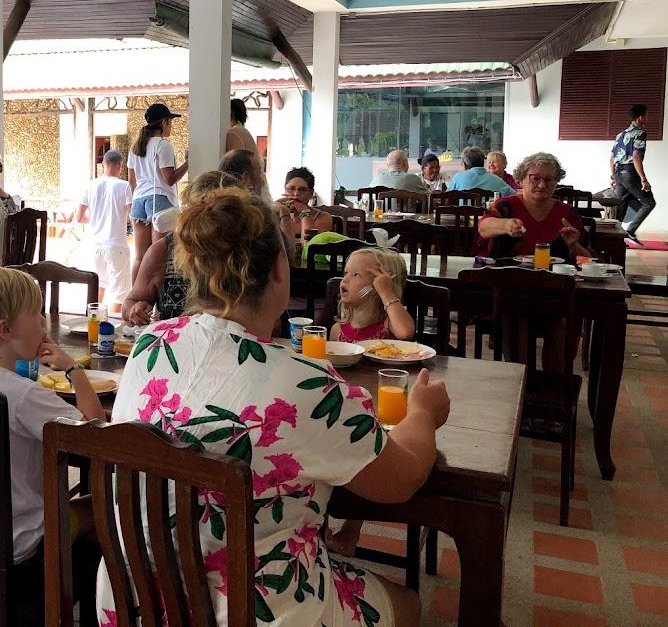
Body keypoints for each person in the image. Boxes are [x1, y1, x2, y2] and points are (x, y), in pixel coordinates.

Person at [101, 187, 450, 627]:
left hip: (134, 600)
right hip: (257, 612)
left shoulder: (150, 345)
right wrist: (422, 413)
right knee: (408, 604)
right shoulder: (307, 384)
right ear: (279, 270)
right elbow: (401, 480)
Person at [0, 265, 104, 566]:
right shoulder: (24, 395)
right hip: (23, 542)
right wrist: (74, 370)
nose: (43, 324)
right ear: (6, 330)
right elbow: (96, 434)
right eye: (36, 315)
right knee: (111, 503)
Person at [120, 171, 240, 326]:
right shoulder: (164, 251)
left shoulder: (248, 253)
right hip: (175, 341)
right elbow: (130, 303)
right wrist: (135, 310)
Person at [478, 152, 593, 262]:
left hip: (555, 275)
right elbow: (483, 228)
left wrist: (574, 245)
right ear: (521, 179)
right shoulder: (506, 206)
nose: (542, 185)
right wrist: (506, 225)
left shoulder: (567, 213)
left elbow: (589, 260)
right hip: (508, 273)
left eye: (548, 180)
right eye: (535, 178)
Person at [127, 103, 188, 280]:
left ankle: (136, 293)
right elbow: (169, 178)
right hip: (159, 199)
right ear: (164, 122)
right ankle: (156, 297)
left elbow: (132, 181)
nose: (171, 126)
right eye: (170, 122)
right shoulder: (163, 145)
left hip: (138, 201)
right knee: (159, 256)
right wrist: (188, 163)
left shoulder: (135, 147)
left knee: (140, 257)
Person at [76, 150, 132, 314]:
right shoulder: (125, 186)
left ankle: (91, 322)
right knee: (118, 294)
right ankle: (112, 326)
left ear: (103, 165)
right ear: (120, 165)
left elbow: (79, 217)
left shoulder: (90, 186)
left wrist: (95, 219)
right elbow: (132, 215)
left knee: (98, 287)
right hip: (116, 245)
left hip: (95, 245)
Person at [330, 248, 415, 343]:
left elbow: (405, 333)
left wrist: (387, 293)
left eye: (356, 275)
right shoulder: (337, 331)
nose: (345, 279)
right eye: (346, 273)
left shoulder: (388, 325)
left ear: (377, 286)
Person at [218, 149, 297, 239]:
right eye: (259, 173)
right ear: (246, 177)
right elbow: (286, 247)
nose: (262, 180)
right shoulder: (255, 215)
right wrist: (284, 214)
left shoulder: (213, 208)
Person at [610, 103, 656, 244]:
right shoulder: (640, 133)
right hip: (629, 173)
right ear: (641, 117)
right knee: (649, 202)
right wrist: (643, 179)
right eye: (647, 116)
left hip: (618, 173)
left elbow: (611, 158)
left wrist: (612, 177)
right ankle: (630, 231)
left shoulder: (621, 134)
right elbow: (636, 156)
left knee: (621, 204)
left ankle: (613, 236)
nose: (648, 118)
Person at [277, 166, 334, 236]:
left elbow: (311, 242)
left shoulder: (323, 217)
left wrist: (305, 212)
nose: (296, 194)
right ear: (285, 190)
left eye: (302, 190)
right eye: (291, 189)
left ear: (311, 194)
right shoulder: (278, 213)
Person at [448, 147, 516, 196]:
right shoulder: (497, 180)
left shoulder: (458, 177)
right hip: (487, 212)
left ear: (465, 165)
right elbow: (515, 195)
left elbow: (446, 197)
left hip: (463, 212)